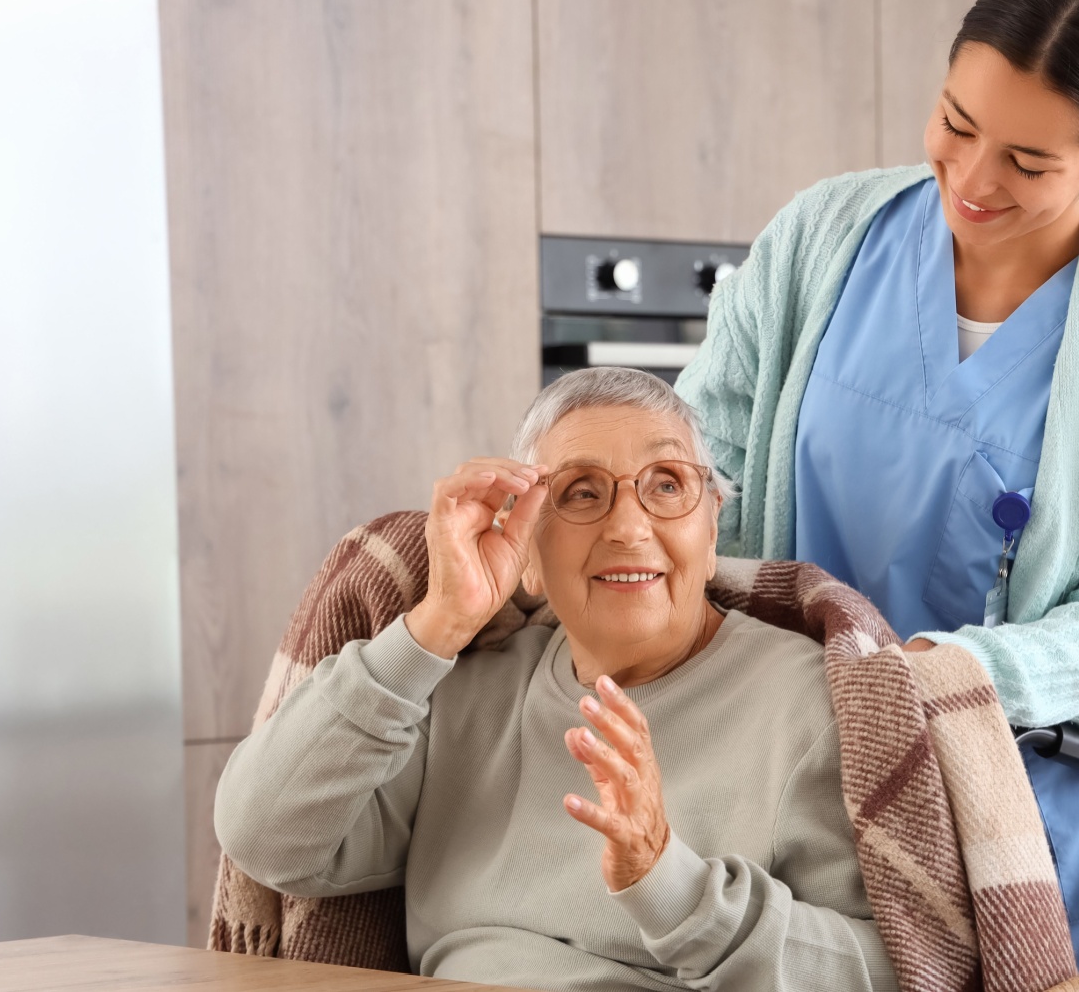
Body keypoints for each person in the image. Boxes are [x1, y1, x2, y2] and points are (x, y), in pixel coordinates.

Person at [676, 0, 1079, 969]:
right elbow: (696, 465)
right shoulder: (820, 239)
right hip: (794, 753)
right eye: (956, 123)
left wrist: (959, 675)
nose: (974, 181)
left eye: (1028, 163)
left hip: (1033, 785)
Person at [214, 367, 898, 992]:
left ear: (712, 527)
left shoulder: (806, 703)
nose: (629, 527)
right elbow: (265, 839)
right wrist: (436, 625)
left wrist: (672, 884)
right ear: (528, 555)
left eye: (666, 484)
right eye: (581, 492)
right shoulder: (460, 691)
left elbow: (885, 973)